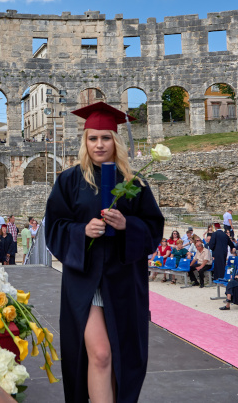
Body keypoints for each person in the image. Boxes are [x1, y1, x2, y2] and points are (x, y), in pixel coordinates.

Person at [44, 102, 164, 403]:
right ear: (85, 141)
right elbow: (55, 226)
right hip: (84, 282)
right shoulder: (69, 181)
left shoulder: (134, 184)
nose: (99, 144)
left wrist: (127, 225)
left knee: (118, 358)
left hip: (122, 282)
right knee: (99, 354)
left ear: (116, 141)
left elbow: (153, 229)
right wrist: (81, 231)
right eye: (93, 138)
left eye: (106, 137)